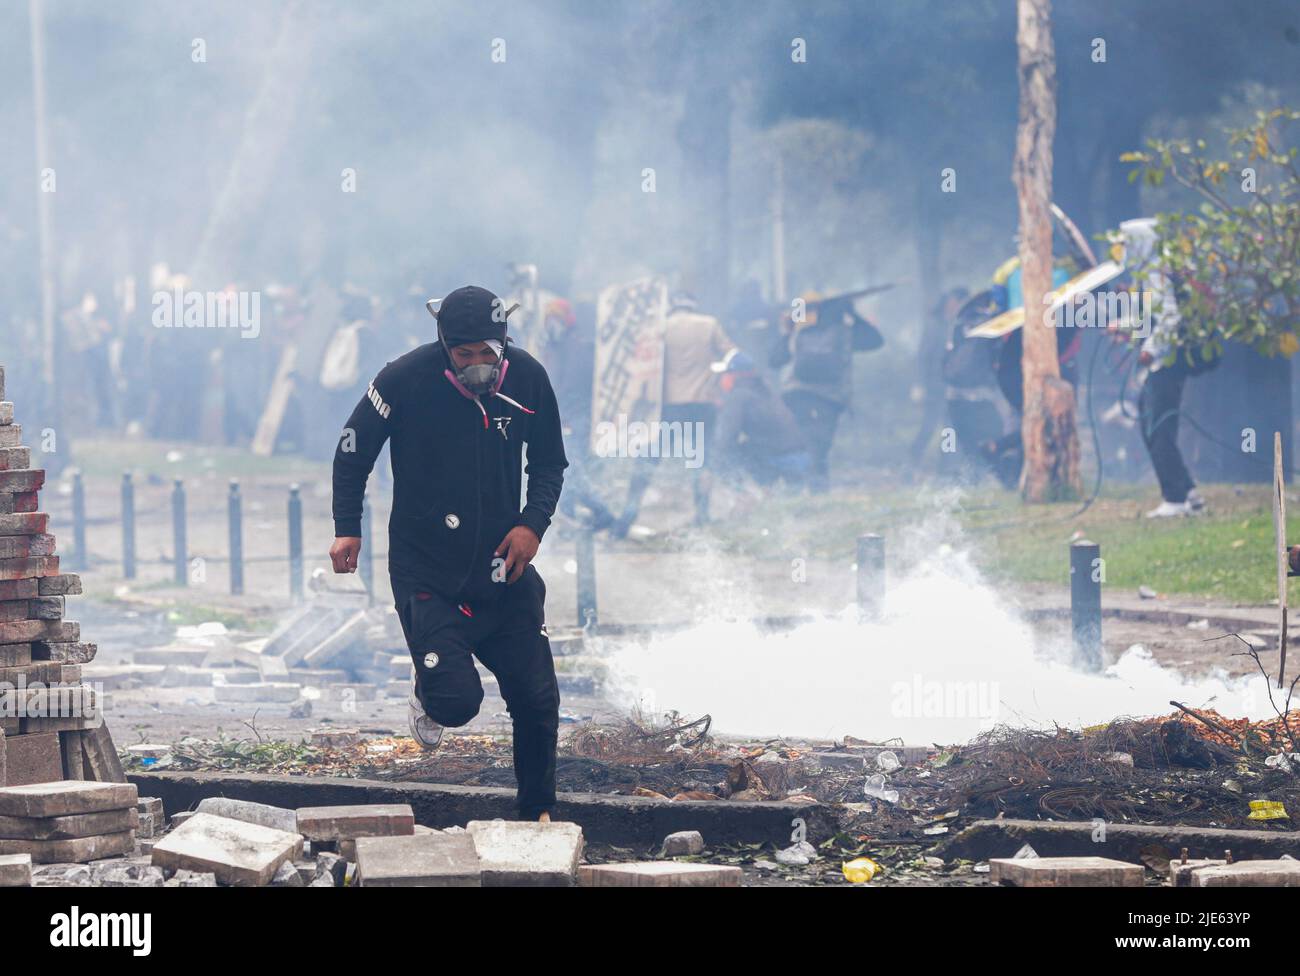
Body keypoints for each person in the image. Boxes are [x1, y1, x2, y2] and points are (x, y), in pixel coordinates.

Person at [330, 285, 567, 822]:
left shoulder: (529, 378)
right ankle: (430, 686)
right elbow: (352, 450)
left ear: (503, 343)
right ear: (444, 345)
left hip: (505, 570)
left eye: (488, 352)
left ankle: (537, 814)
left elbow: (550, 462)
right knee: (458, 704)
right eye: (464, 354)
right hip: (427, 573)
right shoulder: (402, 379)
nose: (478, 364)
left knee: (537, 698)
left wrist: (532, 525)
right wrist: (348, 528)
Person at [612, 290, 734, 536]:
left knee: (648, 460)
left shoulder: (659, 328)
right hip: (701, 405)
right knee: (700, 462)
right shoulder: (709, 325)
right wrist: (715, 376)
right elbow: (731, 355)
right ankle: (702, 517)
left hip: (668, 407)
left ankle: (626, 519)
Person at [1120, 218, 1209, 518]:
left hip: (1167, 364)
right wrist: (1122, 327)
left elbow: (1170, 318)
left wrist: (1150, 349)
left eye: (1127, 244)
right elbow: (1150, 316)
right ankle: (1188, 491)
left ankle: (1174, 498)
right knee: (1153, 424)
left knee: (1158, 428)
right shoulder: (1149, 272)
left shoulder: (1156, 273)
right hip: (1163, 365)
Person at [768, 290, 883, 492]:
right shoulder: (843, 332)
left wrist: (788, 330)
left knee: (804, 443)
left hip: (796, 395)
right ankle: (817, 490)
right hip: (830, 398)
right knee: (819, 446)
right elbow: (875, 340)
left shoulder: (798, 332)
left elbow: (774, 360)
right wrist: (852, 314)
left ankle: (801, 488)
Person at [711, 348, 811, 486]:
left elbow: (727, 437)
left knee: (732, 453)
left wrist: (715, 463)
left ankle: (751, 490)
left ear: (736, 374)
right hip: (800, 454)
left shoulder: (738, 397)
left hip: (776, 457)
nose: (723, 378)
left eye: (726, 373)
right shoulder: (764, 390)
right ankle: (769, 487)